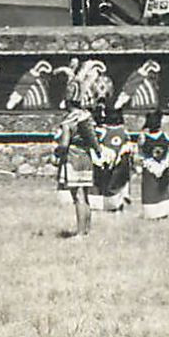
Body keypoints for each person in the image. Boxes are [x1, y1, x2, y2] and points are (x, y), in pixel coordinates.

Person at [53, 62, 107, 238]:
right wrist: (98, 151)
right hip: (86, 158)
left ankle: (80, 232)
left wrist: (57, 152)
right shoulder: (86, 117)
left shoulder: (70, 120)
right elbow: (93, 140)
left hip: (73, 158)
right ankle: (86, 230)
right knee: (85, 196)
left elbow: (64, 144)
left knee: (78, 198)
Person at [90, 104, 134, 213]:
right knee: (118, 183)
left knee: (105, 183)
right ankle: (118, 203)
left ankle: (109, 205)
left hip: (107, 161)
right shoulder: (124, 131)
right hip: (119, 162)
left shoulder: (102, 131)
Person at [137, 110, 169, 220]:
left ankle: (160, 212)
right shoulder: (164, 136)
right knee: (152, 189)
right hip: (152, 165)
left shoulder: (145, 137)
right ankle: (154, 212)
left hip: (158, 165)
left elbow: (140, 152)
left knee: (158, 188)